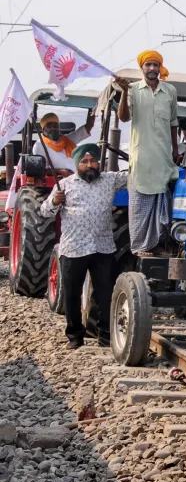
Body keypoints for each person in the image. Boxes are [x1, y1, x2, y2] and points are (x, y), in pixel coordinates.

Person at [39, 145, 128, 349]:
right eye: (84, 161)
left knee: (105, 294)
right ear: (76, 164)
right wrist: (54, 201)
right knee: (72, 294)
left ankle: (104, 334)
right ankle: (75, 336)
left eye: (93, 161)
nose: (89, 165)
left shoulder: (110, 180)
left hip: (103, 247)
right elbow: (44, 212)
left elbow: (134, 176)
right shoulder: (64, 185)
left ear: (98, 163)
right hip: (73, 248)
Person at [114, 51, 180, 256]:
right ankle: (140, 247)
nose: (152, 68)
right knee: (140, 205)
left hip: (163, 157)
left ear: (160, 68)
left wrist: (176, 150)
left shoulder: (170, 91)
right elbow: (124, 117)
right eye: (148, 65)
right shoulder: (133, 89)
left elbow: (173, 122)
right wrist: (124, 92)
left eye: (155, 65)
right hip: (141, 158)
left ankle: (157, 245)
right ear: (142, 68)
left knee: (161, 203)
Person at [33, 110, 96, 176]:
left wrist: (93, 113)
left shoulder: (67, 139)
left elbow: (87, 128)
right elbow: (41, 170)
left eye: (55, 125)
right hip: (61, 180)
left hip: (82, 175)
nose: (53, 128)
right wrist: (60, 172)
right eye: (49, 126)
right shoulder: (39, 145)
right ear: (43, 129)